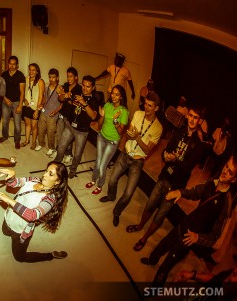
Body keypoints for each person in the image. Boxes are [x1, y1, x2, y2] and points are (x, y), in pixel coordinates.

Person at [141, 156, 237, 287]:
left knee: (168, 262)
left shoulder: (226, 202)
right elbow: (195, 192)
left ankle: (154, 289)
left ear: (234, 179)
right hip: (186, 223)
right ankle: (152, 260)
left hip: (190, 237)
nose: (225, 171)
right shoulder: (212, 182)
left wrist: (198, 238)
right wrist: (180, 192)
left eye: (230, 172)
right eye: (226, 166)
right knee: (163, 244)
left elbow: (216, 235)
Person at [126, 106, 205, 251]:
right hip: (164, 177)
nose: (192, 120)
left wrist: (174, 160)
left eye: (196, 118)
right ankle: (139, 226)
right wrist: (166, 156)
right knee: (150, 204)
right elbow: (165, 150)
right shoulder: (179, 132)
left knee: (160, 215)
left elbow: (187, 168)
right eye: (191, 116)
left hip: (176, 186)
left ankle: (144, 238)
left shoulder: (199, 146)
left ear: (199, 121)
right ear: (187, 116)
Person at [99, 92, 163, 227]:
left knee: (128, 193)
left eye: (150, 105)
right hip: (125, 154)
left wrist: (137, 137)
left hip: (137, 162)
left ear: (156, 108)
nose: (146, 107)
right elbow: (128, 135)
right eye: (145, 104)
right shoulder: (138, 114)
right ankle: (111, 196)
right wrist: (129, 135)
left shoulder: (158, 128)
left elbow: (147, 150)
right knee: (112, 180)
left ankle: (117, 212)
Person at [0, 161, 69, 263]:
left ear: (57, 181)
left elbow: (32, 215)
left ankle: (50, 256)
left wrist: (8, 200)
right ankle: (8, 229)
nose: (44, 175)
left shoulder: (50, 199)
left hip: (20, 231)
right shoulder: (34, 179)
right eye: (46, 171)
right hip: (8, 218)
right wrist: (11, 176)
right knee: (5, 231)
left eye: (50, 174)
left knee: (20, 258)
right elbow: (14, 183)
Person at [85, 85, 129, 195]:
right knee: (98, 162)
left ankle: (99, 185)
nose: (113, 96)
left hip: (112, 141)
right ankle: (93, 180)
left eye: (117, 94)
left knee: (102, 165)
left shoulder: (124, 111)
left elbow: (120, 132)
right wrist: (102, 116)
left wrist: (115, 120)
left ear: (121, 97)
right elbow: (99, 126)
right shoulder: (107, 105)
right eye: (112, 93)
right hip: (101, 137)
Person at [55, 75, 99, 178]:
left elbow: (93, 116)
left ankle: (72, 170)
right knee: (61, 147)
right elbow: (61, 99)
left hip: (82, 132)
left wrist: (84, 104)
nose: (84, 88)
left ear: (93, 87)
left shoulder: (94, 101)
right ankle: (56, 165)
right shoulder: (77, 93)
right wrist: (64, 95)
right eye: (83, 85)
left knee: (78, 154)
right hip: (70, 126)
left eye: (88, 86)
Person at [0, 56, 26, 149]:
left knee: (17, 124)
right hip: (5, 102)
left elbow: (22, 92)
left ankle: (17, 140)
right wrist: (5, 98)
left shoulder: (20, 75)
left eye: (14, 64)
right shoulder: (4, 75)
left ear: (17, 65)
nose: (12, 65)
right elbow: (0, 89)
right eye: (10, 63)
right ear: (8, 64)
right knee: (5, 121)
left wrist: (20, 106)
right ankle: (5, 136)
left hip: (16, 103)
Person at [57, 67, 83, 164]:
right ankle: (61, 152)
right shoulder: (66, 85)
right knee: (60, 135)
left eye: (71, 76)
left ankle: (68, 154)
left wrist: (65, 96)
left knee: (69, 137)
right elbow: (60, 98)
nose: (69, 79)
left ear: (76, 77)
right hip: (62, 114)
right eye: (68, 76)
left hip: (71, 117)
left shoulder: (79, 89)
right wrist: (64, 95)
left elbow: (75, 103)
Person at [36, 68, 64, 157]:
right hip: (44, 112)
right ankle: (41, 144)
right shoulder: (47, 87)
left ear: (57, 78)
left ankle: (51, 148)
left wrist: (56, 112)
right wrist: (41, 104)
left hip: (53, 114)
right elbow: (45, 98)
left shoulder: (60, 88)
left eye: (53, 77)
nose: (51, 79)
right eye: (50, 77)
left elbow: (63, 104)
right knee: (40, 129)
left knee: (50, 132)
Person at [21, 63, 45, 150]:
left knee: (34, 127)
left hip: (35, 108)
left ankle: (34, 142)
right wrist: (24, 99)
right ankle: (27, 140)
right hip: (26, 106)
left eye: (33, 70)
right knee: (27, 124)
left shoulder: (40, 81)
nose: (31, 72)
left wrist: (37, 110)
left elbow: (41, 97)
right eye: (30, 70)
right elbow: (22, 91)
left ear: (37, 71)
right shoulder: (26, 78)